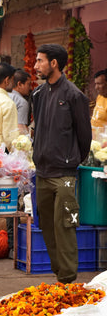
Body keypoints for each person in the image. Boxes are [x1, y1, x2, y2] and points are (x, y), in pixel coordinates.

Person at [33, 43, 92, 284]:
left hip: (65, 175)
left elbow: (84, 135)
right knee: (47, 226)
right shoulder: (38, 94)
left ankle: (67, 279)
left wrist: (72, 161)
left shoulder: (74, 96)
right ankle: (60, 275)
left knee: (66, 226)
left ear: (53, 64)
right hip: (42, 173)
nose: (36, 65)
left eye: (40, 61)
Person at [9, 69, 32, 135]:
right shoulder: (21, 102)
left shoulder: (4, 96)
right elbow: (21, 129)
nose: (30, 88)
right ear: (19, 84)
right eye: (28, 84)